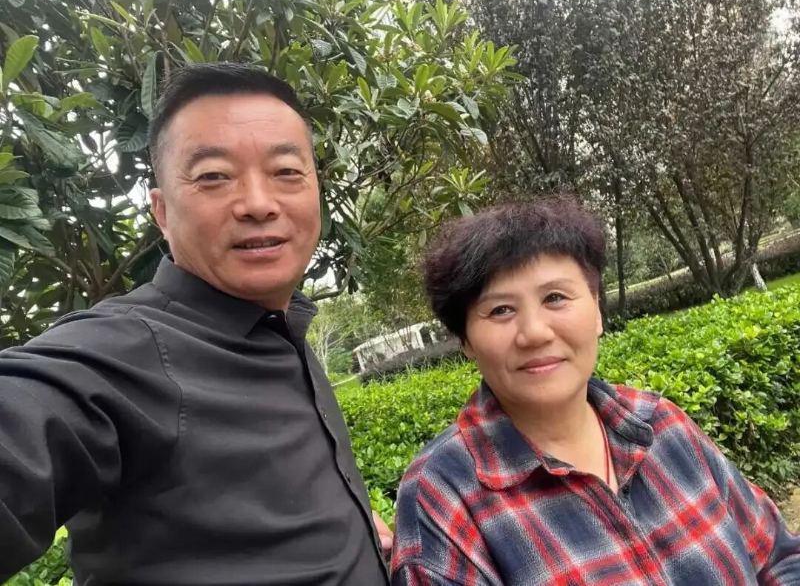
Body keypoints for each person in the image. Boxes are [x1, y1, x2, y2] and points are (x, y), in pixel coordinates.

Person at [0, 63, 392, 585]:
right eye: (213, 177)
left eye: (286, 172)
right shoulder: (123, 353)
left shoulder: (283, 324)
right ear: (162, 212)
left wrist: (349, 527)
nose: (258, 204)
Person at [391, 196, 800, 585]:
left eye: (555, 297)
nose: (535, 332)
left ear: (597, 309)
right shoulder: (444, 495)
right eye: (501, 310)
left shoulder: (662, 425)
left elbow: (777, 558)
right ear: (466, 340)